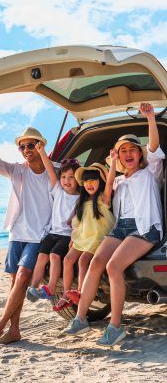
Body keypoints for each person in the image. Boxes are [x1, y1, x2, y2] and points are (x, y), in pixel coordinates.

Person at [64, 102, 165, 347]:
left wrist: (151, 117)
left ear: (140, 154)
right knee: (96, 262)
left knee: (113, 266)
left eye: (133, 149)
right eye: (123, 151)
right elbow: (105, 192)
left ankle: (116, 326)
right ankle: (80, 318)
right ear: (118, 156)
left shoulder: (151, 172)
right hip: (121, 228)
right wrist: (110, 167)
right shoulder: (119, 181)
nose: (128, 153)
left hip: (145, 228)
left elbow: (153, 146)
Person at [0, 120, 53, 346]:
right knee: (14, 283)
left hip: (40, 235)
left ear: (41, 146)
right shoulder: (18, 171)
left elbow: (73, 183)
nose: (27, 150)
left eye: (32, 145)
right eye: (23, 147)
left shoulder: (54, 169)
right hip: (17, 232)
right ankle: (14, 330)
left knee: (21, 279)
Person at [53, 158, 116, 312]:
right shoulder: (82, 201)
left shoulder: (103, 199)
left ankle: (80, 292)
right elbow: (78, 223)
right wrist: (73, 239)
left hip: (98, 239)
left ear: (100, 181)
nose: (89, 184)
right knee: (67, 259)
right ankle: (67, 293)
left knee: (83, 261)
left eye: (93, 180)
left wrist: (113, 162)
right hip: (82, 238)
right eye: (86, 181)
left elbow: (110, 182)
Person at [25, 142, 80, 302]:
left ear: (78, 180)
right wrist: (41, 152)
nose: (66, 181)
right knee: (42, 257)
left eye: (71, 177)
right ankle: (34, 287)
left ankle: (50, 287)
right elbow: (49, 169)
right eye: (63, 177)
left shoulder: (80, 198)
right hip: (53, 233)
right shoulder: (58, 190)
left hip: (66, 236)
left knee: (55, 257)